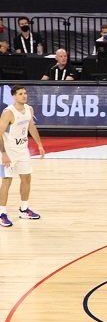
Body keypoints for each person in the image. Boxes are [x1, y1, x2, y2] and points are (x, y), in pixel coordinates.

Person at [0, 85, 45, 227]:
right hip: (9, 151)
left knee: (26, 178)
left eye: (25, 93)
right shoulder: (8, 112)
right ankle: (2, 213)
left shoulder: (29, 109)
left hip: (22, 150)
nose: (24, 96)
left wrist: (39, 145)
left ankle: (24, 209)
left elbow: (31, 126)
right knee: (7, 181)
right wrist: (4, 154)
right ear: (14, 96)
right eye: (20, 94)